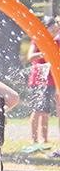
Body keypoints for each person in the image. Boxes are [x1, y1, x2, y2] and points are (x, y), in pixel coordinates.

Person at [25, 17, 60, 145]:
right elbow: (30, 57)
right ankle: (33, 139)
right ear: (47, 27)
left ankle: (44, 139)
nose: (56, 29)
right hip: (38, 79)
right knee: (37, 110)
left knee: (45, 111)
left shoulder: (56, 41)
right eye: (54, 27)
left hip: (51, 79)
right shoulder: (38, 40)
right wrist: (45, 52)